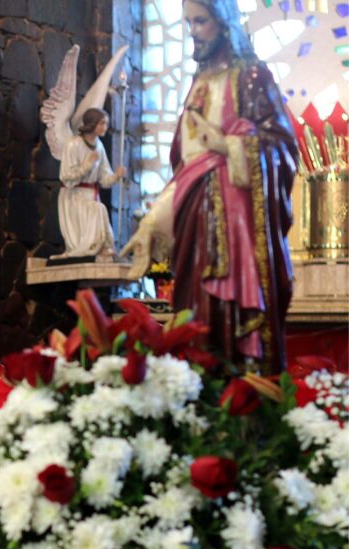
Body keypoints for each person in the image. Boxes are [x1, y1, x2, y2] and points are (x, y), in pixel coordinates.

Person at [123, 0, 298, 373]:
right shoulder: (198, 84)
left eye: (200, 21)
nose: (193, 31)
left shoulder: (252, 77)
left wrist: (227, 145)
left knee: (230, 321)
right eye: (188, 22)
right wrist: (152, 224)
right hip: (195, 226)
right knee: (196, 317)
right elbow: (187, 166)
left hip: (240, 233)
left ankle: (244, 397)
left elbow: (282, 145)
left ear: (224, 22)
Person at [57, 108, 127, 258]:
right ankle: (91, 248)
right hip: (73, 196)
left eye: (106, 124)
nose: (105, 127)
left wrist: (115, 176)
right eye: (102, 123)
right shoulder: (73, 144)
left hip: (91, 196)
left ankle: (100, 249)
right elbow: (66, 176)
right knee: (98, 209)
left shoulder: (99, 146)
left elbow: (103, 178)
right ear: (92, 123)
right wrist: (86, 165)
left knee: (98, 208)